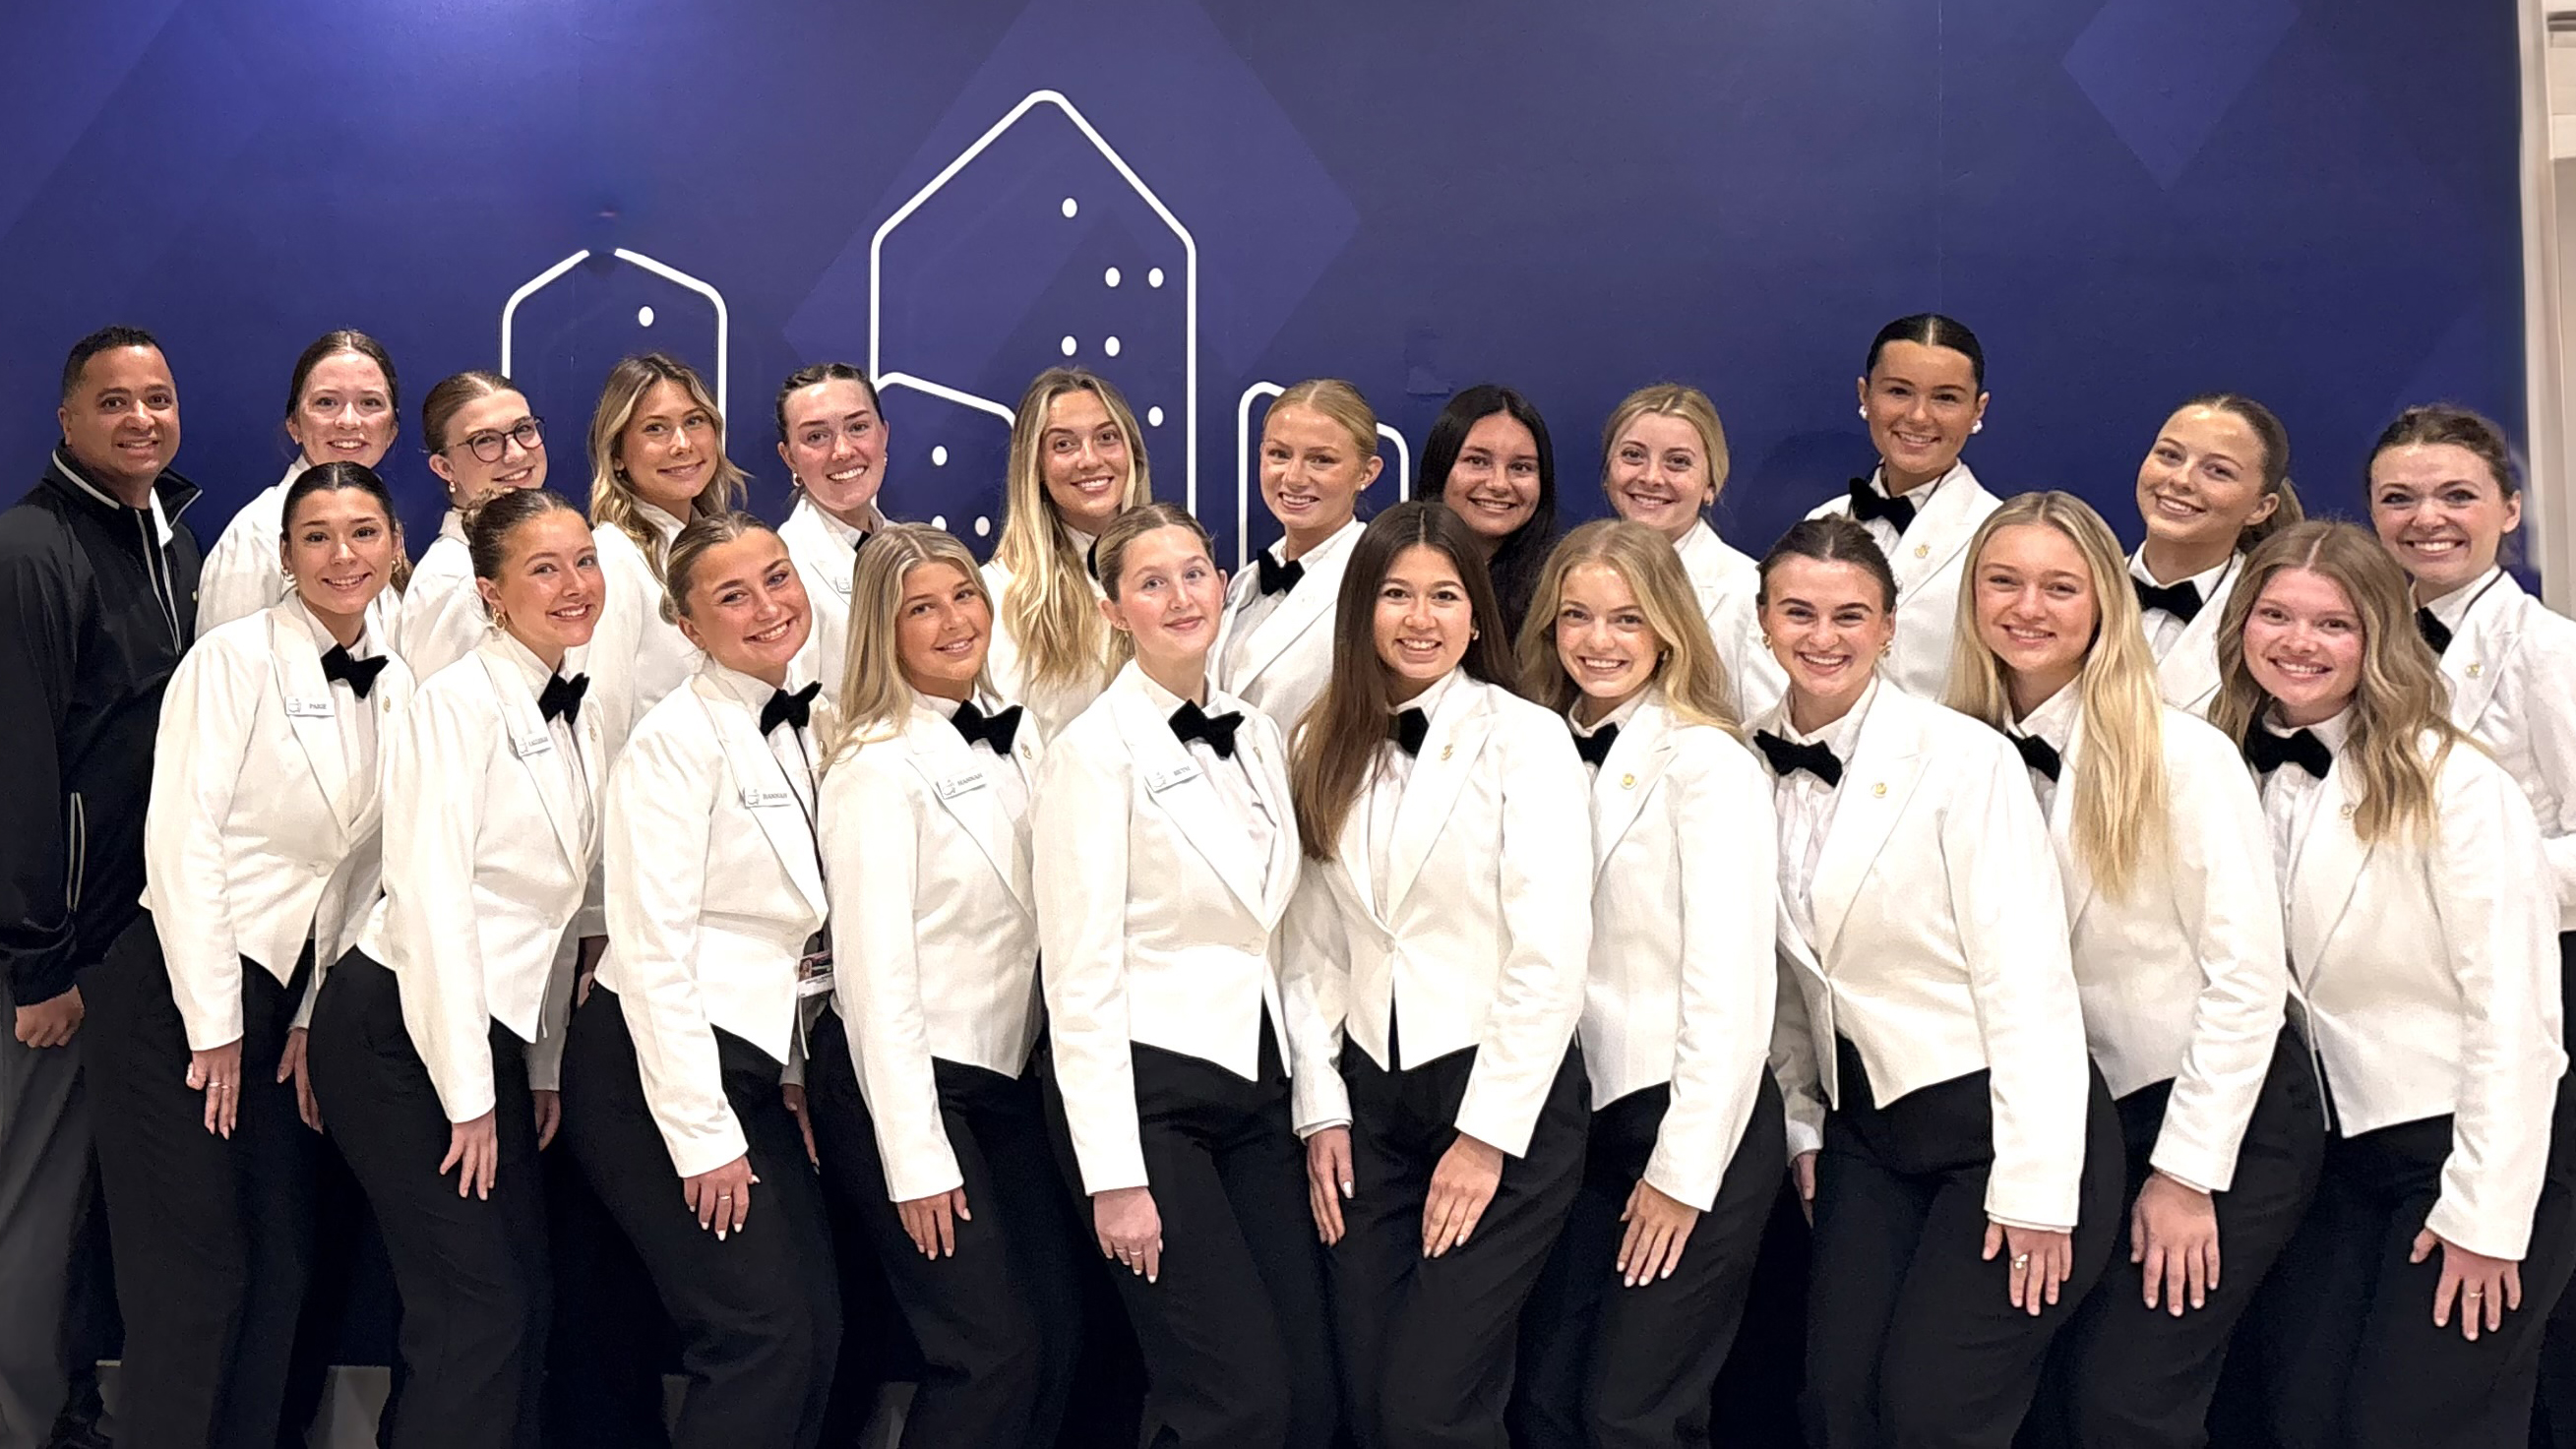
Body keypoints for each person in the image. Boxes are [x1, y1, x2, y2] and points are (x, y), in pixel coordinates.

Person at [1947, 493, 2317, 1449]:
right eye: (2004, 581)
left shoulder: (2180, 755)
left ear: (2104, 603)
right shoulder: (1943, 755)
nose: (2027, 608)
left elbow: (2246, 982)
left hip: (2202, 1117)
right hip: (2062, 1125)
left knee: (2126, 1404)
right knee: (2042, 1401)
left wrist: (2186, 1176)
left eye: (2059, 586)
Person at [1750, 514, 2120, 1445]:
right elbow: (1789, 983)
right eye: (1798, 611)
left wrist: (2040, 1187)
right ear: (1761, 622)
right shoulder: (1739, 761)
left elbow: (2029, 979)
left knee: (1933, 1414)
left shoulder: (1964, 758)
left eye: (1850, 614)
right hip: (1868, 1134)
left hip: (2001, 1127)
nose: (1823, 636)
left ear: (1888, 625)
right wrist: (1802, 1118)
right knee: (1834, 1408)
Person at [2215, 521, 2575, 1449]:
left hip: (2468, 1146)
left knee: (2414, 1425)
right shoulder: (2215, 767)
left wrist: (2489, 1217)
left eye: (2334, 623)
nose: (2299, 642)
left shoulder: (2455, 781)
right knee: (2301, 1418)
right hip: (2321, 1158)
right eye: (2277, 615)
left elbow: (2517, 1013)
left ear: (2379, 634)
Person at [89, 462, 411, 1449]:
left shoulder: (400, 684)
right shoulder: (229, 661)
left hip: (283, 1011)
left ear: (395, 547)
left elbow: (363, 872)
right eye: (316, 536)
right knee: (196, 1280)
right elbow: (182, 846)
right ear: (283, 555)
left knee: (278, 1273)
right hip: (180, 997)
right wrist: (214, 1024)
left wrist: (310, 1014)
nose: (341, 555)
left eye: (362, 533)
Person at [1282, 498, 1592, 1446]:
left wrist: (1487, 1135)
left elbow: (1551, 950)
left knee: (1432, 1405)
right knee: (1370, 1397)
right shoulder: (1315, 739)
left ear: (1477, 612)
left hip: (1500, 1099)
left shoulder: (1527, 737)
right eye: (1397, 595)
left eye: (1445, 595)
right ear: (1360, 609)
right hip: (1371, 1100)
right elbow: (1307, 943)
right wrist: (1321, 1102)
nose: (1421, 619)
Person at [307, 487, 605, 1449]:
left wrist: (543, 1063)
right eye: (542, 569)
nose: (573, 585)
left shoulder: (579, 707)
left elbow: (557, 916)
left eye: (583, 560)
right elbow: (431, 903)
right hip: (400, 1030)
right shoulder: (453, 705)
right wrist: (470, 1095)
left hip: (489, 1033)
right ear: (489, 590)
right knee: (474, 1308)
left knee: (519, 1297)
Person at [1034, 502, 1337, 1448]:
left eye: (1196, 573)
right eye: (1151, 582)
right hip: (1150, 1096)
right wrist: (1114, 1176)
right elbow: (1075, 976)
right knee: (1233, 1401)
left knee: (1314, 1402)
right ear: (1112, 607)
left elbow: (1279, 935)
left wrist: (1315, 1104)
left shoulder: (1253, 732)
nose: (1180, 596)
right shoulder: (1090, 752)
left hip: (1258, 1087)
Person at [565, 513, 843, 1449]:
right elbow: (650, 956)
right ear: (687, 627)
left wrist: (795, 1066)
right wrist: (702, 1136)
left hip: (758, 1064)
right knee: (757, 1338)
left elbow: (797, 927)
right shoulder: (671, 743)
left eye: (776, 577)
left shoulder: (809, 716)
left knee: (816, 1333)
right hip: (660, 1072)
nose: (768, 605)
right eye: (733, 595)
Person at [1505, 519, 1784, 1449]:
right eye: (1577, 615)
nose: (1598, 639)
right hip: (1575, 1130)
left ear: (1668, 627)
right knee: (1544, 1400)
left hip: (1690, 1121)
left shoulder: (1707, 763)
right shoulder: (1531, 748)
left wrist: (1681, 1170)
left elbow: (1734, 989)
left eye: (1626, 618)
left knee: (1634, 1415)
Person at [808, 523, 1083, 1449]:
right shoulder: (874, 767)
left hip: (1007, 1080)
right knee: (986, 1351)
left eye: (962, 595)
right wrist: (917, 1156)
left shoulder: (1030, 735)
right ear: (881, 632)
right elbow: (873, 977)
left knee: (1059, 1335)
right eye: (919, 608)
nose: (952, 620)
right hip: (914, 1084)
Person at [0, 326, 200, 1449]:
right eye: (114, 402)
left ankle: (67, 1411)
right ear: (67, 419)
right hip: (55, 958)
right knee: (31, 1215)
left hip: (126, 947)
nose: (140, 420)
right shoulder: (33, 550)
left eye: (158, 400)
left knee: (83, 1219)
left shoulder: (162, 538)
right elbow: (18, 769)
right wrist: (40, 959)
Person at [1803, 314, 2001, 699]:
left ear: (1977, 410)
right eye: (1898, 391)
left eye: (1945, 398)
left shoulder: (2001, 536)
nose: (1918, 416)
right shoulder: (1820, 522)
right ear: (1865, 395)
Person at [586, 352, 751, 752]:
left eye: (694, 422)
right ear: (618, 456)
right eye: (655, 429)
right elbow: (600, 723)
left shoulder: (727, 548)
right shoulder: (612, 558)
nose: (682, 445)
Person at [197, 331, 404, 638]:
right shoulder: (255, 535)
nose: (349, 420)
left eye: (369, 403)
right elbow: (222, 671)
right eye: (326, 402)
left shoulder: (385, 523)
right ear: (294, 424)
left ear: (392, 429)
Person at [983, 368, 1151, 742]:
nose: (1089, 460)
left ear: (1132, 453)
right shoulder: (1001, 594)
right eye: (1064, 445)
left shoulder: (1177, 581)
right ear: (1035, 466)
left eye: (1107, 438)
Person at [1597, 383, 1783, 720]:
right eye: (1633, 455)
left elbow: (1768, 730)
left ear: (1711, 484)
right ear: (1607, 473)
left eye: (1678, 462)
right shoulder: (1578, 578)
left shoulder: (1749, 592)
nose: (1651, 477)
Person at [1212, 380, 1382, 739]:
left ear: (1367, 473)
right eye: (1279, 454)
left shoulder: (1381, 582)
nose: (1293, 477)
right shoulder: (1245, 581)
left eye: (1321, 460)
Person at [2127, 394, 2303, 716]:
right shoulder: (2079, 590)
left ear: (2261, 508)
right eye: (2169, 455)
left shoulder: (2279, 623)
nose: (2180, 479)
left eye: (2218, 471)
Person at [397, 371, 548, 683]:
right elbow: (438, 715)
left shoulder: (546, 553)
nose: (517, 453)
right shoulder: (452, 577)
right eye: (486, 441)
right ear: (445, 467)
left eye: (524, 429)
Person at [774, 363, 891, 698]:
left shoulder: (913, 548)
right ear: (790, 458)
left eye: (857, 427)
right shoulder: (782, 568)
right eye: (816, 436)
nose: (842, 450)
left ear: (883, 434)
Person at [1410, 385, 1559, 636]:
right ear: (1441, 468)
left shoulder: (1559, 587)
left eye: (1521, 467)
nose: (1498, 484)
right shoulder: (1391, 566)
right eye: (1477, 461)